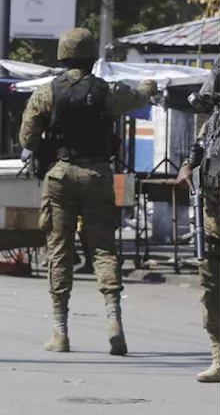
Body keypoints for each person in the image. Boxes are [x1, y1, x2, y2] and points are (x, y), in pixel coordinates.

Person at [19, 28, 155, 355]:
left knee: (59, 249)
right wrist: (148, 86)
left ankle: (60, 332)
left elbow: (27, 139)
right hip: (98, 173)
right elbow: (138, 97)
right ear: (93, 57)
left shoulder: (46, 93)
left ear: (62, 56)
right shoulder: (106, 91)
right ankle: (114, 323)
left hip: (60, 176)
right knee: (104, 248)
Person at [177, 63, 220, 382]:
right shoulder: (217, 118)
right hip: (214, 220)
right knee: (213, 287)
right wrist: (186, 166)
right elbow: (200, 147)